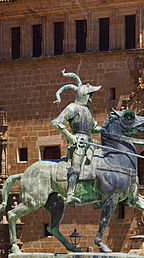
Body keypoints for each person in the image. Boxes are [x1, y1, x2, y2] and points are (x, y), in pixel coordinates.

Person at [51, 70, 101, 205]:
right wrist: (70, 136)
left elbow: (94, 128)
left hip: (90, 142)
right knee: (76, 167)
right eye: (90, 94)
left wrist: (107, 129)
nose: (91, 97)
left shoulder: (88, 110)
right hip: (78, 142)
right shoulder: (72, 107)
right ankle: (69, 194)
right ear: (85, 95)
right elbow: (56, 122)